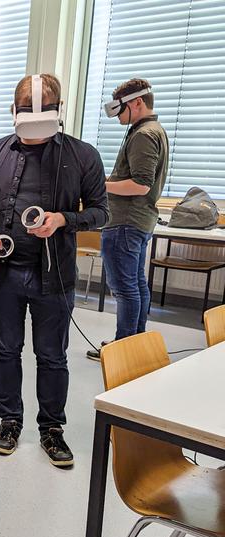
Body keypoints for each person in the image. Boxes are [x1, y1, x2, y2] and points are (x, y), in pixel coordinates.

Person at [0, 74, 109, 467]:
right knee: (6, 350)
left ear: (60, 113)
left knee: (52, 356)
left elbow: (101, 212)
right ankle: (9, 422)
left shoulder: (82, 156)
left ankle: (52, 429)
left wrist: (62, 220)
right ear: (13, 112)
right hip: (3, 274)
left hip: (53, 276)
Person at [87, 78, 169, 361]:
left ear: (137, 102)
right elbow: (133, 178)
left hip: (125, 222)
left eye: (121, 109)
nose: (118, 116)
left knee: (125, 290)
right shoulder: (152, 130)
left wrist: (99, 186)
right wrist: (107, 179)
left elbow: (141, 184)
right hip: (138, 221)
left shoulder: (144, 134)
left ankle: (124, 350)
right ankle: (136, 344)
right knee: (136, 285)